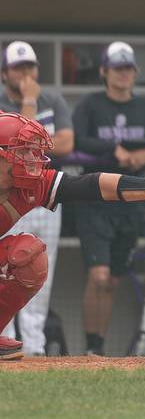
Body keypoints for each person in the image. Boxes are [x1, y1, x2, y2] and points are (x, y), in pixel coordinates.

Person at [0, 112, 145, 360]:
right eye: (22, 151)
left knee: (28, 257)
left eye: (31, 151)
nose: (30, 159)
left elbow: (91, 185)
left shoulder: (30, 185)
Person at [72, 41, 145, 355]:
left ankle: (99, 347)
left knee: (113, 281)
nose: (123, 75)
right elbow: (78, 138)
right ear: (104, 72)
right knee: (98, 275)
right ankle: (92, 348)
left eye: (128, 69)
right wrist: (113, 151)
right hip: (95, 201)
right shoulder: (90, 104)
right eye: (117, 68)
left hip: (132, 202)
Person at [0, 41, 73, 356]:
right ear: (5, 74)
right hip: (8, 191)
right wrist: (28, 101)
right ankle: (6, 334)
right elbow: (23, 137)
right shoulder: (6, 102)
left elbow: (67, 143)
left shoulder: (53, 98)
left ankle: (35, 345)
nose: (25, 73)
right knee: (8, 265)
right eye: (18, 67)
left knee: (39, 262)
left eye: (29, 66)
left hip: (41, 190)